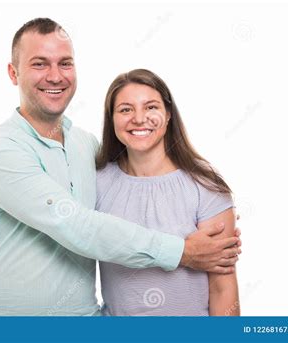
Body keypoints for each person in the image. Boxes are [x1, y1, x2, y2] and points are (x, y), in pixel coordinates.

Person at [0, 18, 241, 316]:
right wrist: (183, 251)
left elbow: (140, 192)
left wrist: (206, 202)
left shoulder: (86, 148)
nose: (55, 76)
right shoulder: (0, 151)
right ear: (13, 72)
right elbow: (78, 226)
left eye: (65, 63)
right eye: (39, 64)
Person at [96, 69, 240, 316]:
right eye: (125, 109)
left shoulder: (204, 184)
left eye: (151, 107)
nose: (139, 119)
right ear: (112, 119)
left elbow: (222, 289)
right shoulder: (96, 182)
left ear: (169, 114)